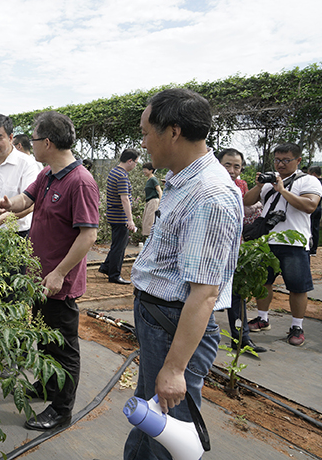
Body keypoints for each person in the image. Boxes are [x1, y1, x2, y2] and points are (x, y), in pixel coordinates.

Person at [125, 89, 242, 459]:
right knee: (150, 422)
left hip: (174, 326)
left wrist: (175, 368)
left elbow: (205, 293)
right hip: (161, 321)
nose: (143, 143)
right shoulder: (184, 180)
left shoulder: (209, 195)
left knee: (165, 433)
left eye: (146, 133)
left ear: (173, 132)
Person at [0, 111, 100, 431]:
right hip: (38, 277)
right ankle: (46, 386)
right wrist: (8, 206)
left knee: (63, 347)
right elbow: (28, 199)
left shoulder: (80, 181)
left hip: (57, 283)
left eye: (34, 139)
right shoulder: (49, 174)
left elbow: (88, 235)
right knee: (44, 339)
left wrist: (59, 272)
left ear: (47, 142)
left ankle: (61, 409)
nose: (30, 144)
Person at [244, 143, 322, 346]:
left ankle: (297, 326)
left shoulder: (308, 181)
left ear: (298, 161)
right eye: (277, 160)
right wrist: (260, 185)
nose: (280, 164)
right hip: (266, 241)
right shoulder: (270, 183)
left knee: (297, 288)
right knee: (264, 282)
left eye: (286, 160)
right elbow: (247, 200)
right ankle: (263, 318)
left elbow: (310, 206)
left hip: (294, 243)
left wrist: (283, 190)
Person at [217, 148, 266, 355]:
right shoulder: (211, 183)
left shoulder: (240, 185)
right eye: (227, 164)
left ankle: (241, 339)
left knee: (237, 293)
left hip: (234, 247)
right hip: (211, 248)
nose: (232, 170)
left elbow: (241, 211)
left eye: (236, 166)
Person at [0, 115, 41, 236]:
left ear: (10, 138)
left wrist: (2, 219)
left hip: (16, 234)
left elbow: (32, 204)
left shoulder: (26, 164)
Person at [99, 148, 139, 284]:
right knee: (120, 247)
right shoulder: (121, 176)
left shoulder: (114, 171)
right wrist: (130, 220)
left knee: (117, 244)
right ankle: (114, 275)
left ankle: (106, 267)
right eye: (136, 163)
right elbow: (124, 199)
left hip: (113, 214)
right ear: (130, 161)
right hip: (120, 216)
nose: (135, 166)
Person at [307, 166, 322, 256]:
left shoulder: (314, 183)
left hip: (313, 207)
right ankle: (314, 249)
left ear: (313, 174)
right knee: (316, 229)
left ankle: (309, 247)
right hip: (319, 208)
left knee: (309, 228)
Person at [140, 162, 162, 237]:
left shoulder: (153, 179)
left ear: (151, 170)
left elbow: (159, 190)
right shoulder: (149, 180)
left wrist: (160, 203)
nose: (144, 171)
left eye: (145, 169)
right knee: (145, 221)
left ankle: (150, 238)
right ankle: (148, 238)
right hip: (148, 202)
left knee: (150, 221)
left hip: (153, 201)